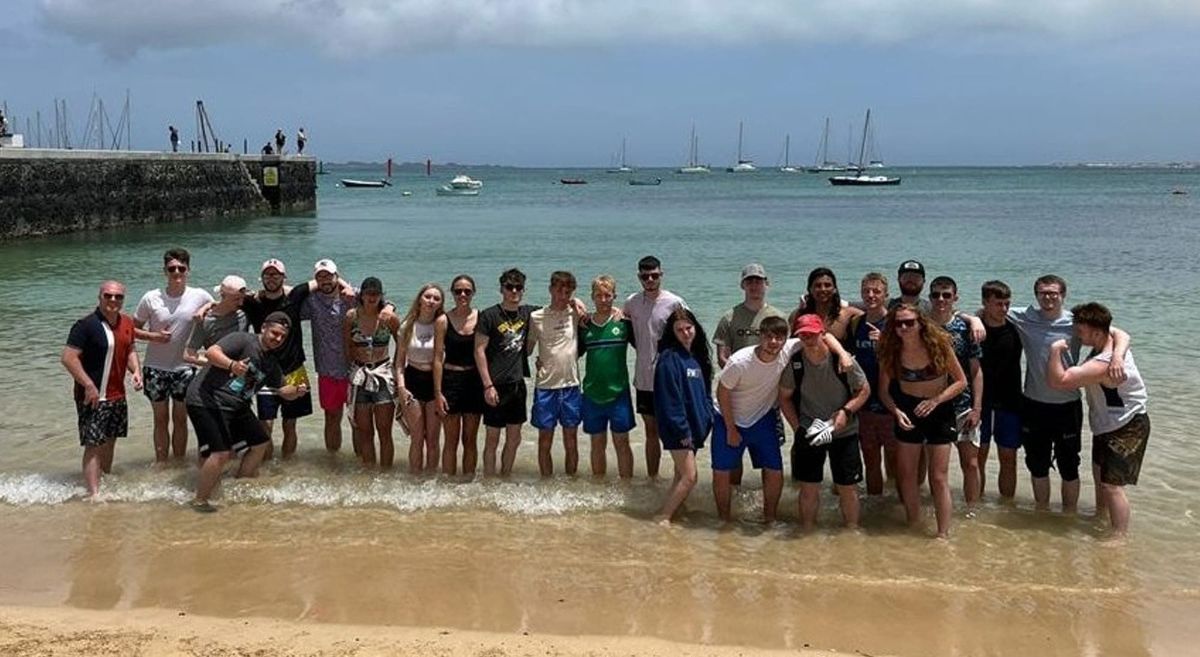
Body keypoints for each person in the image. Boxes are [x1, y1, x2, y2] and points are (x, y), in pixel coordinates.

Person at [1007, 274, 1129, 513]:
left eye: (1054, 293)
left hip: (1067, 405)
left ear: (1063, 295)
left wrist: (1117, 356)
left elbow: (1118, 334)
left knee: (1069, 466)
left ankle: (1069, 515)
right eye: (1043, 293)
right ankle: (1041, 512)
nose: (1049, 297)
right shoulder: (1024, 317)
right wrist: (975, 321)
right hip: (1033, 403)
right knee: (1037, 465)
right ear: (1036, 295)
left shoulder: (1076, 322)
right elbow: (987, 311)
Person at [186, 312, 307, 512]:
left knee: (260, 442)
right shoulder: (242, 339)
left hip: (237, 405)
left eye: (282, 336)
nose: (277, 338)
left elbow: (283, 392)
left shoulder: (271, 364)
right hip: (207, 400)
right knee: (221, 453)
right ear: (264, 328)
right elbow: (211, 353)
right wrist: (232, 364)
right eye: (275, 333)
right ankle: (199, 500)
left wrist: (296, 391)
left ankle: (240, 486)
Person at [1046, 303, 1149, 536]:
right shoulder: (1110, 341)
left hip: (1128, 425)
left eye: (1080, 331)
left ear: (1096, 332)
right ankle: (1100, 519)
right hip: (1106, 425)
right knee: (1101, 479)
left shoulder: (1104, 362)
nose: (1076, 334)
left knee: (1112, 486)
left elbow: (1059, 381)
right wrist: (1119, 354)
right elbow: (1120, 332)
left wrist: (1054, 351)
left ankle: (1118, 536)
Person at [877, 304, 968, 538]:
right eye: (899, 323)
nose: (904, 327)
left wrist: (936, 400)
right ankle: (913, 524)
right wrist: (896, 411)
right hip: (908, 410)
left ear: (921, 323)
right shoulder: (891, 351)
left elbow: (960, 382)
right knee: (906, 474)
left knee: (938, 476)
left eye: (910, 322)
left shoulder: (939, 346)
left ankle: (943, 534)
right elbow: (884, 391)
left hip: (939, 409)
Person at [240, 258, 344, 459]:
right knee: (265, 425)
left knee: (290, 424)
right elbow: (227, 298)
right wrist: (205, 308)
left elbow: (325, 280)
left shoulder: (296, 296)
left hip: (295, 370)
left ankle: (287, 467)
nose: (271, 278)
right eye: (267, 274)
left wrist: (347, 287)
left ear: (283, 277)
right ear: (261, 278)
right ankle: (266, 467)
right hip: (261, 371)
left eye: (275, 274)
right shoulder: (253, 302)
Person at [780, 314, 870, 530]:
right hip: (810, 430)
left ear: (822, 333)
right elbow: (783, 397)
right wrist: (798, 427)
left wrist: (845, 412)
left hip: (844, 431)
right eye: (803, 334)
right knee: (808, 487)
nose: (808, 338)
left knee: (847, 487)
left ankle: (851, 532)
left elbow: (864, 391)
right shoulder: (796, 363)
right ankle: (807, 532)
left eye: (812, 333)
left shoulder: (843, 360)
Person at [712, 316, 800, 524]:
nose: (774, 342)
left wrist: (842, 355)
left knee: (774, 469)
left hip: (762, 418)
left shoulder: (787, 350)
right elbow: (722, 393)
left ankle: (770, 518)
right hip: (728, 417)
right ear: (760, 337)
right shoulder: (740, 362)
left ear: (785, 339)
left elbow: (819, 336)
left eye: (779, 338)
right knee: (722, 471)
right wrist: (731, 428)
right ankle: (724, 519)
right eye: (768, 337)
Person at [61, 281, 141, 498]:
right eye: (108, 295)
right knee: (93, 444)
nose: (113, 300)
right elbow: (68, 358)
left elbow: (130, 348)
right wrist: (88, 385)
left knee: (110, 440)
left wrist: (136, 371)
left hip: (118, 394)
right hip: (93, 396)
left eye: (118, 297)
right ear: (100, 297)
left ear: (123, 299)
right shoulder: (85, 325)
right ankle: (94, 494)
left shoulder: (126, 322)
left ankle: (103, 479)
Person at [134, 248, 214, 462]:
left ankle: (178, 463)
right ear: (165, 271)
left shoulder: (199, 295)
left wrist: (205, 308)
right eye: (172, 268)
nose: (176, 272)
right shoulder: (151, 298)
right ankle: (162, 464)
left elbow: (219, 306)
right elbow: (131, 330)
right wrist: (154, 336)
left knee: (181, 419)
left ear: (188, 270)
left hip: (185, 369)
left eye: (181, 268)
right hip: (155, 368)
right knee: (160, 419)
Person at [624, 256, 686, 478]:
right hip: (643, 379)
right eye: (645, 276)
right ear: (639, 277)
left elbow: (688, 336)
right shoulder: (632, 302)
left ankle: (681, 479)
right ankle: (653, 480)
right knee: (651, 432)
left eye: (654, 275)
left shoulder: (675, 303)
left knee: (673, 430)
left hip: (669, 380)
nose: (649, 279)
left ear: (662, 275)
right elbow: (620, 323)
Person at [928, 276, 984, 509]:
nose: (941, 299)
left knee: (970, 464)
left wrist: (977, 407)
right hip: (931, 405)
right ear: (929, 298)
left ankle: (972, 510)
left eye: (946, 295)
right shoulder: (921, 326)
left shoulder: (965, 328)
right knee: (933, 466)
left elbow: (976, 371)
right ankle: (933, 506)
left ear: (955, 298)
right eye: (936, 295)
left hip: (962, 405)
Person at [652, 308, 713, 524]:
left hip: (696, 427)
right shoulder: (669, 359)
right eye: (680, 330)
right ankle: (663, 517)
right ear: (673, 332)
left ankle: (675, 510)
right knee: (690, 477)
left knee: (680, 476)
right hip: (678, 429)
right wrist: (683, 432)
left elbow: (705, 394)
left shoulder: (696, 358)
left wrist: (707, 418)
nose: (686, 333)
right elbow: (669, 401)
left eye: (689, 328)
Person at [475, 269, 535, 476]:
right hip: (495, 385)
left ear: (523, 290)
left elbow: (557, 310)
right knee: (492, 439)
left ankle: (505, 477)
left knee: (514, 439)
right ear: (501, 289)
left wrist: (577, 304)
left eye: (518, 287)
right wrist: (487, 385)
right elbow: (479, 350)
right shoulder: (489, 315)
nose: (514, 291)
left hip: (517, 385)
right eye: (509, 287)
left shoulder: (529, 313)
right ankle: (489, 481)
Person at [579, 275, 636, 479]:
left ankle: (627, 488)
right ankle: (599, 487)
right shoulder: (585, 326)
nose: (603, 300)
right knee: (597, 444)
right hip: (592, 394)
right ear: (592, 297)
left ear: (614, 296)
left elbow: (647, 344)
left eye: (607, 295)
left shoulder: (623, 323)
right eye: (599, 296)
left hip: (619, 393)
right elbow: (568, 352)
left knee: (622, 443)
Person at [527, 272, 584, 477]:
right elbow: (527, 348)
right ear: (550, 289)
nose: (563, 294)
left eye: (567, 291)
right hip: (545, 387)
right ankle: (546, 484)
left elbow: (597, 316)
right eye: (559, 290)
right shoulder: (536, 317)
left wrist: (578, 302)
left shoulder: (576, 313)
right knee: (545, 440)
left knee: (571, 440)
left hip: (571, 385)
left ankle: (572, 482)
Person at [302, 265, 362, 453]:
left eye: (329, 276)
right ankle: (333, 463)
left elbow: (382, 300)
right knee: (332, 419)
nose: (325, 280)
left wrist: (347, 286)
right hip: (327, 371)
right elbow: (290, 297)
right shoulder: (312, 301)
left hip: (356, 369)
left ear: (337, 276)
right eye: (320, 277)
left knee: (357, 420)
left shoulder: (354, 296)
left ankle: (363, 464)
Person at [847, 272, 897, 496]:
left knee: (896, 464)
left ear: (886, 294)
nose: (871, 295)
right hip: (864, 404)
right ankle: (876, 509)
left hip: (892, 404)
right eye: (866, 291)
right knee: (871, 462)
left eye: (876, 291)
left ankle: (897, 509)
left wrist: (884, 347)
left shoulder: (896, 323)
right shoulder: (856, 322)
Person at [344, 277, 401, 468]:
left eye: (376, 294)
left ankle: (385, 474)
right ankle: (369, 474)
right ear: (361, 295)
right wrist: (350, 376)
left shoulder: (389, 318)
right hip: (360, 375)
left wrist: (398, 370)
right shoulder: (352, 317)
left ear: (381, 296)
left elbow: (402, 344)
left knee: (385, 431)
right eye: (368, 293)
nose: (372, 297)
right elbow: (347, 347)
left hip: (383, 375)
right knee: (365, 432)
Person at [434, 275, 485, 476]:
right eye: (458, 291)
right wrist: (438, 393)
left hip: (474, 382)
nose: (462, 295)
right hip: (450, 382)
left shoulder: (482, 318)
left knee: (470, 440)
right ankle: (448, 485)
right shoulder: (443, 320)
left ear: (473, 293)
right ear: (452, 293)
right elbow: (437, 358)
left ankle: (468, 486)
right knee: (451, 440)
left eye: (467, 291)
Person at [978, 280, 1023, 499]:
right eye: (998, 304)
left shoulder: (1017, 329)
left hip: (1010, 403)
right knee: (978, 458)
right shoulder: (974, 329)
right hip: (980, 403)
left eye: (1007, 304)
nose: (1004, 309)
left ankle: (1007, 507)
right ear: (985, 303)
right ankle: (973, 508)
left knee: (1009, 459)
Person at [396, 283, 445, 473]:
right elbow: (399, 364)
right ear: (420, 299)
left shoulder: (442, 325)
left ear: (440, 303)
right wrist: (401, 389)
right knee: (417, 438)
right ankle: (415, 480)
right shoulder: (407, 326)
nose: (431, 301)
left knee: (432, 439)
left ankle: (431, 481)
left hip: (435, 383)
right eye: (427, 297)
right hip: (412, 381)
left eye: (436, 298)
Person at [713, 264, 786, 368]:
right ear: (742, 285)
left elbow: (785, 353)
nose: (754, 285)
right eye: (749, 281)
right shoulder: (729, 318)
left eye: (758, 281)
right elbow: (723, 358)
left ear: (767, 284)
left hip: (770, 379)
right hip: (739, 379)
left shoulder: (779, 317)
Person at [184, 275, 249, 367]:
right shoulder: (206, 321)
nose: (241, 303)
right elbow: (189, 355)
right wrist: (224, 364)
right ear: (222, 295)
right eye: (236, 299)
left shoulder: (244, 312)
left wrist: (208, 305)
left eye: (243, 298)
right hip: (218, 372)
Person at [789, 267, 859, 342]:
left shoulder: (847, 314)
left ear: (835, 289)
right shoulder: (798, 315)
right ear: (810, 289)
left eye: (827, 285)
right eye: (818, 286)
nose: (823, 289)